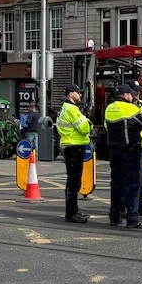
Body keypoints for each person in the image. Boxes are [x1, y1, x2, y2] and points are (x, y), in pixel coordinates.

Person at [104, 81, 142, 230]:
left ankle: (114, 217)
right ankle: (132, 219)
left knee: (116, 184)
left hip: (113, 150)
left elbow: (106, 126)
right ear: (125, 95)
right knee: (132, 185)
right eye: (130, 94)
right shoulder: (131, 108)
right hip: (129, 150)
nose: (132, 96)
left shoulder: (109, 108)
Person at [56, 84, 91, 224]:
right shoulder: (71, 109)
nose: (80, 95)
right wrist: (89, 123)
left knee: (72, 181)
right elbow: (84, 128)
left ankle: (73, 211)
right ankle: (71, 214)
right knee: (73, 181)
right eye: (78, 92)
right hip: (74, 146)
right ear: (71, 94)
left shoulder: (65, 108)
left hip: (71, 145)